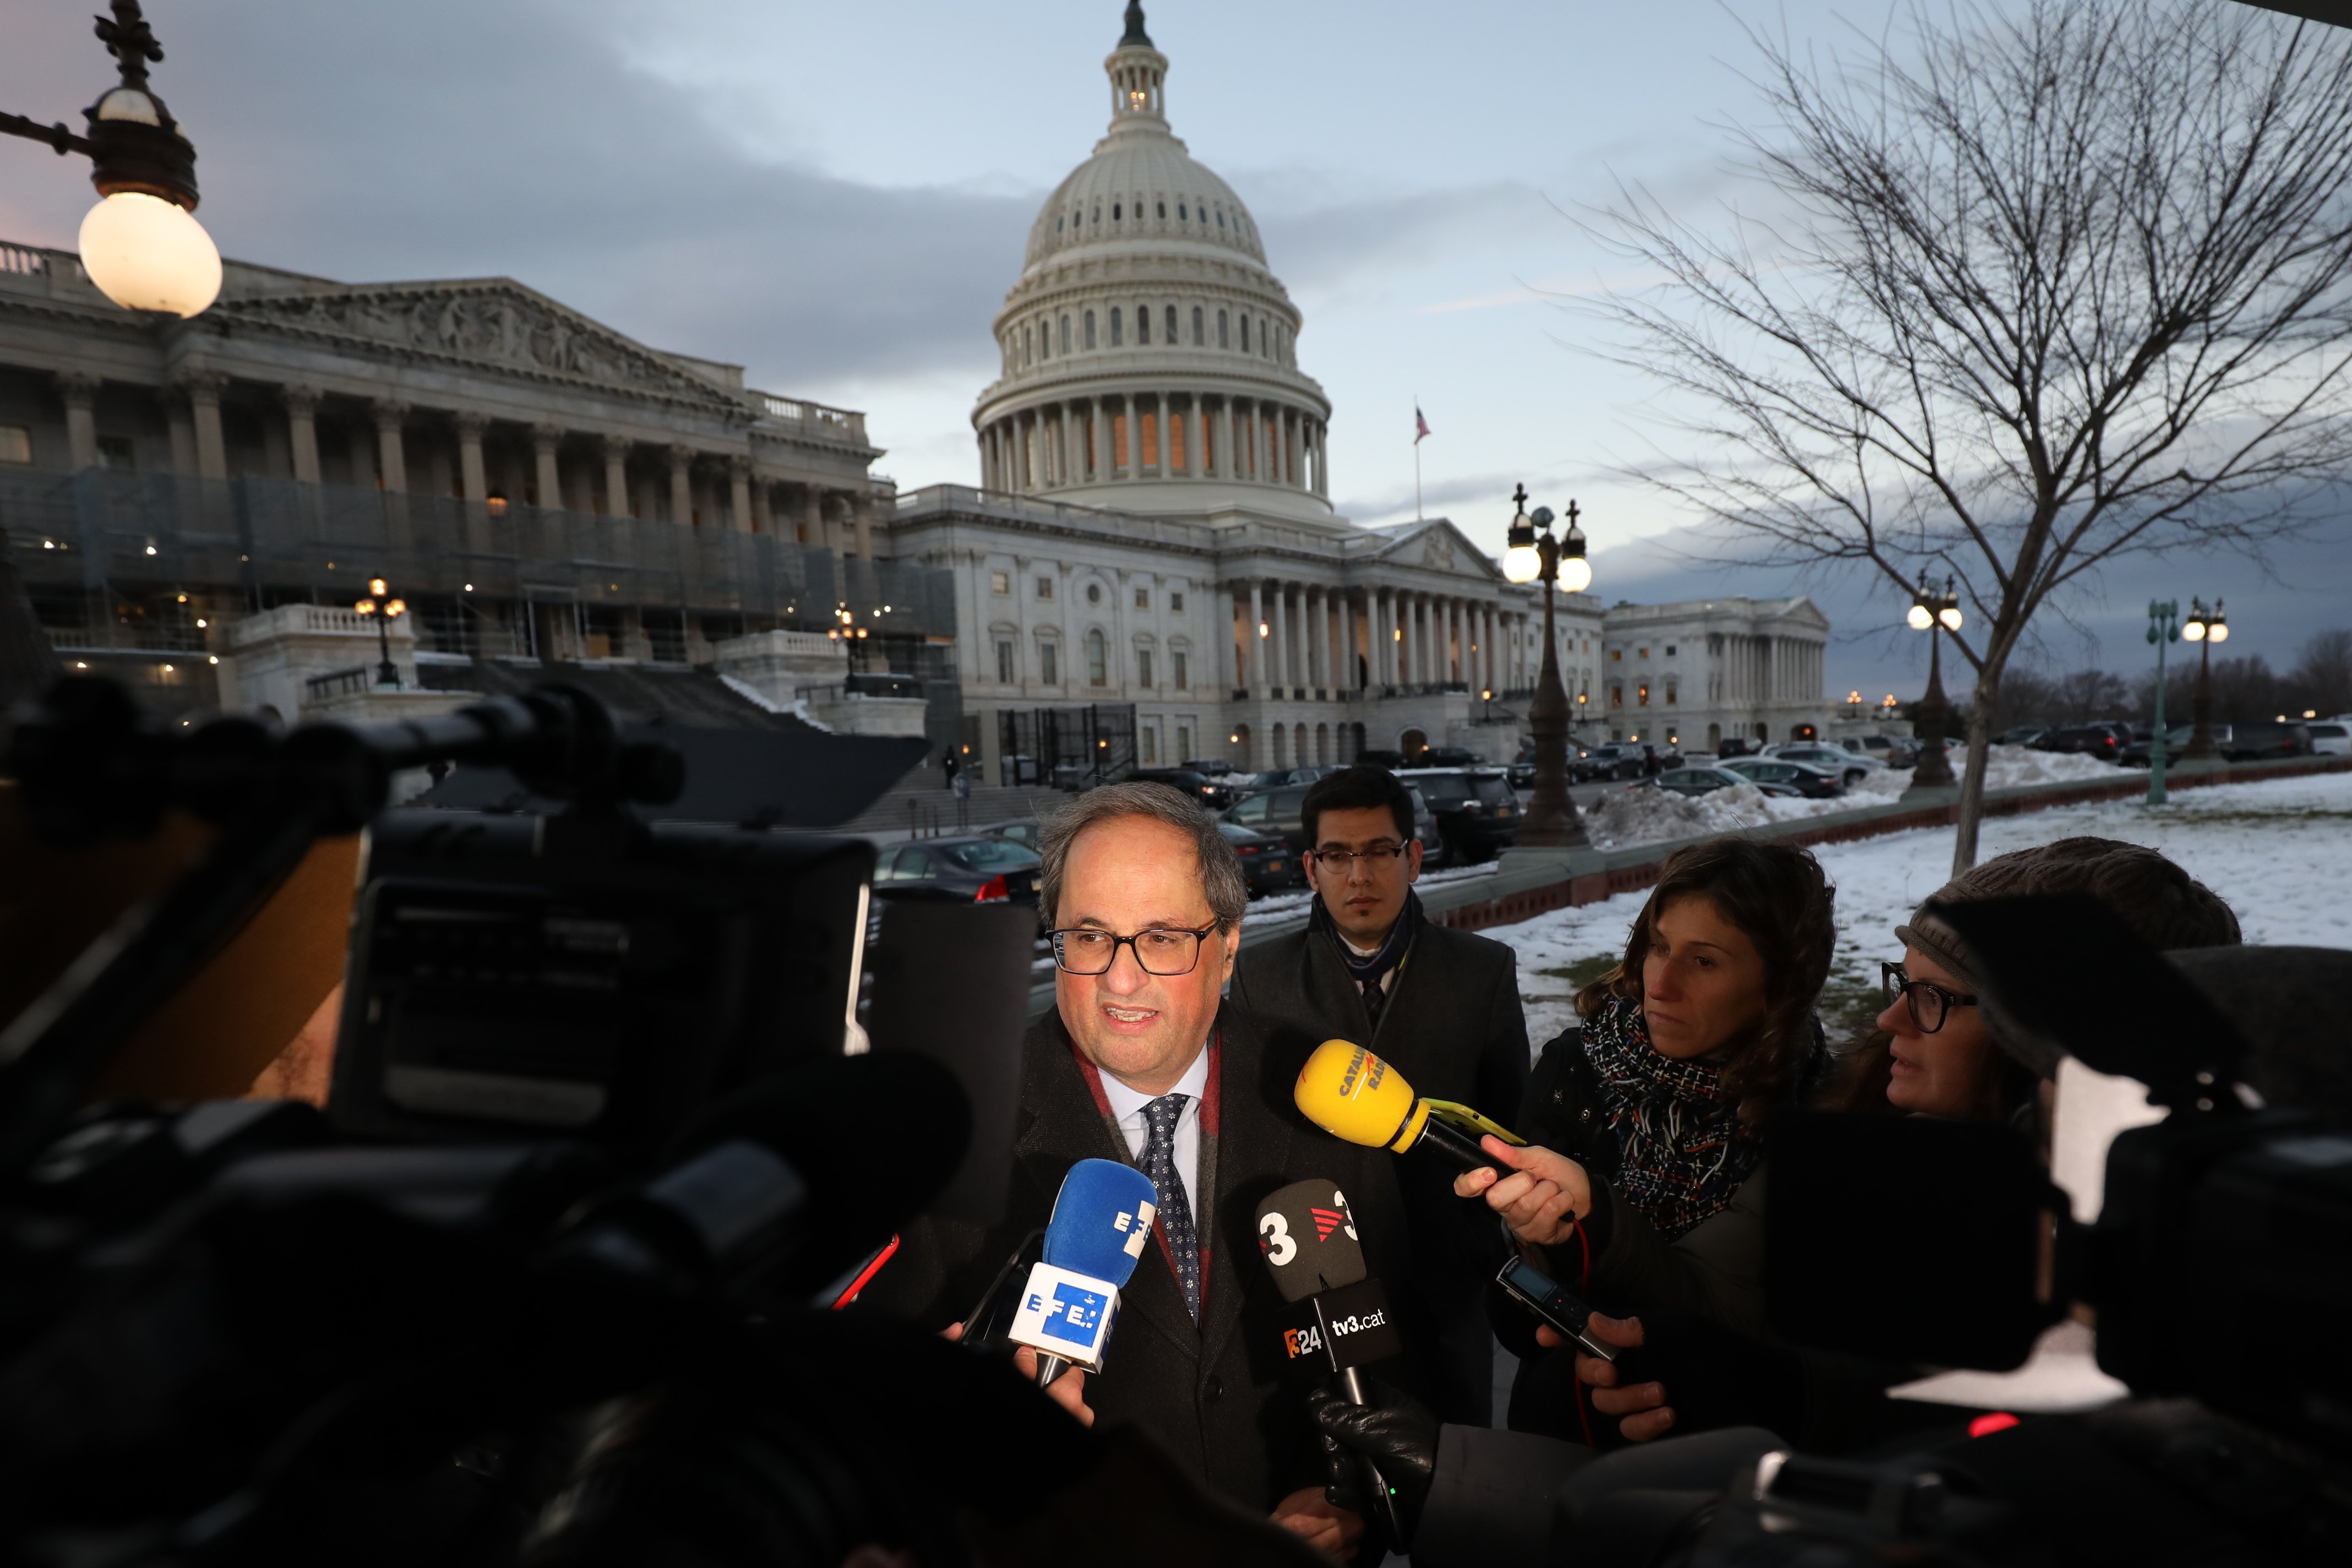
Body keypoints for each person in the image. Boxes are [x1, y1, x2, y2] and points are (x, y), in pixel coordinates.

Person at [864, 781, 1435, 1558]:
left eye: (1162, 937)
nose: (1120, 980)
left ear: (1228, 946)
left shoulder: (1326, 1092)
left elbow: (1403, 1342)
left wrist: (1362, 1500)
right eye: (1090, 936)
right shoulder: (954, 1127)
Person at [1567, 836, 2245, 1452]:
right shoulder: (1867, 1131)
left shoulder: (2162, 1254)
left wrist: (1787, 1401)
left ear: (2048, 1046)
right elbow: (1724, 1296)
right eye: (1904, 981)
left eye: (1936, 996)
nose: (1891, 1017)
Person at [1229, 763, 1529, 1423]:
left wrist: (1479, 1251)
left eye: (1378, 852)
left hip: (1445, 1287)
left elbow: (1512, 1129)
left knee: (1457, 1482)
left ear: (1414, 858)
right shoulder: (1260, 977)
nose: (1358, 876)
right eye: (1337, 855)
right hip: (1321, 1283)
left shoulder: (1481, 972)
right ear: (1311, 869)